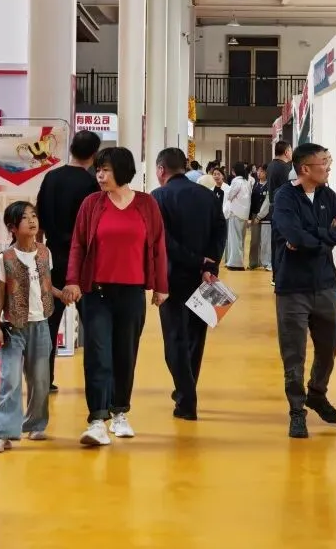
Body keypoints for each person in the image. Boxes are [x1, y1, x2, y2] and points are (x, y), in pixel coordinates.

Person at [65, 147, 169, 447]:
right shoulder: (91, 204)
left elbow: (158, 246)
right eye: (98, 170)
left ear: (122, 171)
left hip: (132, 292)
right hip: (96, 292)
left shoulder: (147, 204)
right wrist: (72, 280)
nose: (100, 175)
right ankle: (97, 419)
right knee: (98, 354)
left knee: (125, 353)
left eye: (106, 170)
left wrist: (161, 286)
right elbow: (78, 245)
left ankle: (120, 412)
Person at [270, 143, 336, 439]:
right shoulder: (285, 197)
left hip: (325, 284)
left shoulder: (328, 196)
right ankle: (297, 411)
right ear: (305, 168)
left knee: (330, 345)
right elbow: (292, 234)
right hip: (293, 287)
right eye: (323, 163)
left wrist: (313, 235)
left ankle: (317, 392)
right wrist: (325, 236)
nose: (328, 167)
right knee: (294, 354)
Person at [152, 148, 227, 420]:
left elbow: (163, 240)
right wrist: (209, 265)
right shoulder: (208, 196)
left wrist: (194, 260)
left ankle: (186, 398)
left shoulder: (158, 197)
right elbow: (220, 232)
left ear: (161, 170)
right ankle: (187, 389)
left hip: (171, 277)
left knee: (175, 338)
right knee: (196, 336)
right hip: (204, 278)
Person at [0, 202, 60, 454]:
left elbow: (46, 286)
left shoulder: (45, 253)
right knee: (10, 379)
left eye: (34, 216)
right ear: (12, 227)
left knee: (41, 379)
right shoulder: (5, 258)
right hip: (13, 326)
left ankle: (36, 424)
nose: (32, 221)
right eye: (25, 218)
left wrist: (63, 294)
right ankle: (2, 433)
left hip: (41, 324)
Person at [35, 129, 101, 392]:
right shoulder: (91, 184)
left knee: (48, 322)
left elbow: (38, 219)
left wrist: (39, 253)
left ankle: (44, 381)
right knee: (93, 324)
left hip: (53, 257)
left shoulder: (51, 177)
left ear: (71, 148)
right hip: (83, 261)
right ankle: (95, 384)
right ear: (94, 154)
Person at [264, 141, 293, 285]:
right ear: (287, 152)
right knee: (283, 243)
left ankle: (276, 276)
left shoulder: (271, 166)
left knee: (276, 244)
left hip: (274, 208)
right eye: (291, 150)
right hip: (283, 209)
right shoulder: (284, 168)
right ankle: (281, 277)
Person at [223, 162, 252, 270]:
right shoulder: (246, 181)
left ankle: (235, 263)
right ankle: (239, 261)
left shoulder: (236, 181)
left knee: (234, 239)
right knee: (241, 239)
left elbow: (230, 195)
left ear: (234, 171)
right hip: (244, 214)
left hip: (235, 213)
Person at [247, 165, 269, 270]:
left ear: (266, 173)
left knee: (265, 241)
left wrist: (260, 216)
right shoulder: (254, 184)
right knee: (254, 240)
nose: (259, 173)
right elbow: (250, 202)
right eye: (258, 171)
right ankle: (253, 262)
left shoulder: (269, 185)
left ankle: (265, 262)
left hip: (265, 216)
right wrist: (250, 217)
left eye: (262, 171)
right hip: (254, 214)